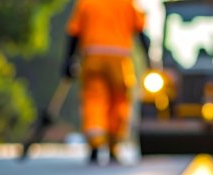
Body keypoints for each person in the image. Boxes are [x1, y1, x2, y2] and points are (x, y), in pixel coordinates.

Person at [63, 0, 150, 164]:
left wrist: (68, 60)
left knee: (93, 99)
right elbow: (141, 33)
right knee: (119, 101)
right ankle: (113, 145)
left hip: (92, 58)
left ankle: (95, 144)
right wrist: (149, 61)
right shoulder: (127, 3)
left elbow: (74, 33)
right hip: (119, 61)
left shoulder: (86, 3)